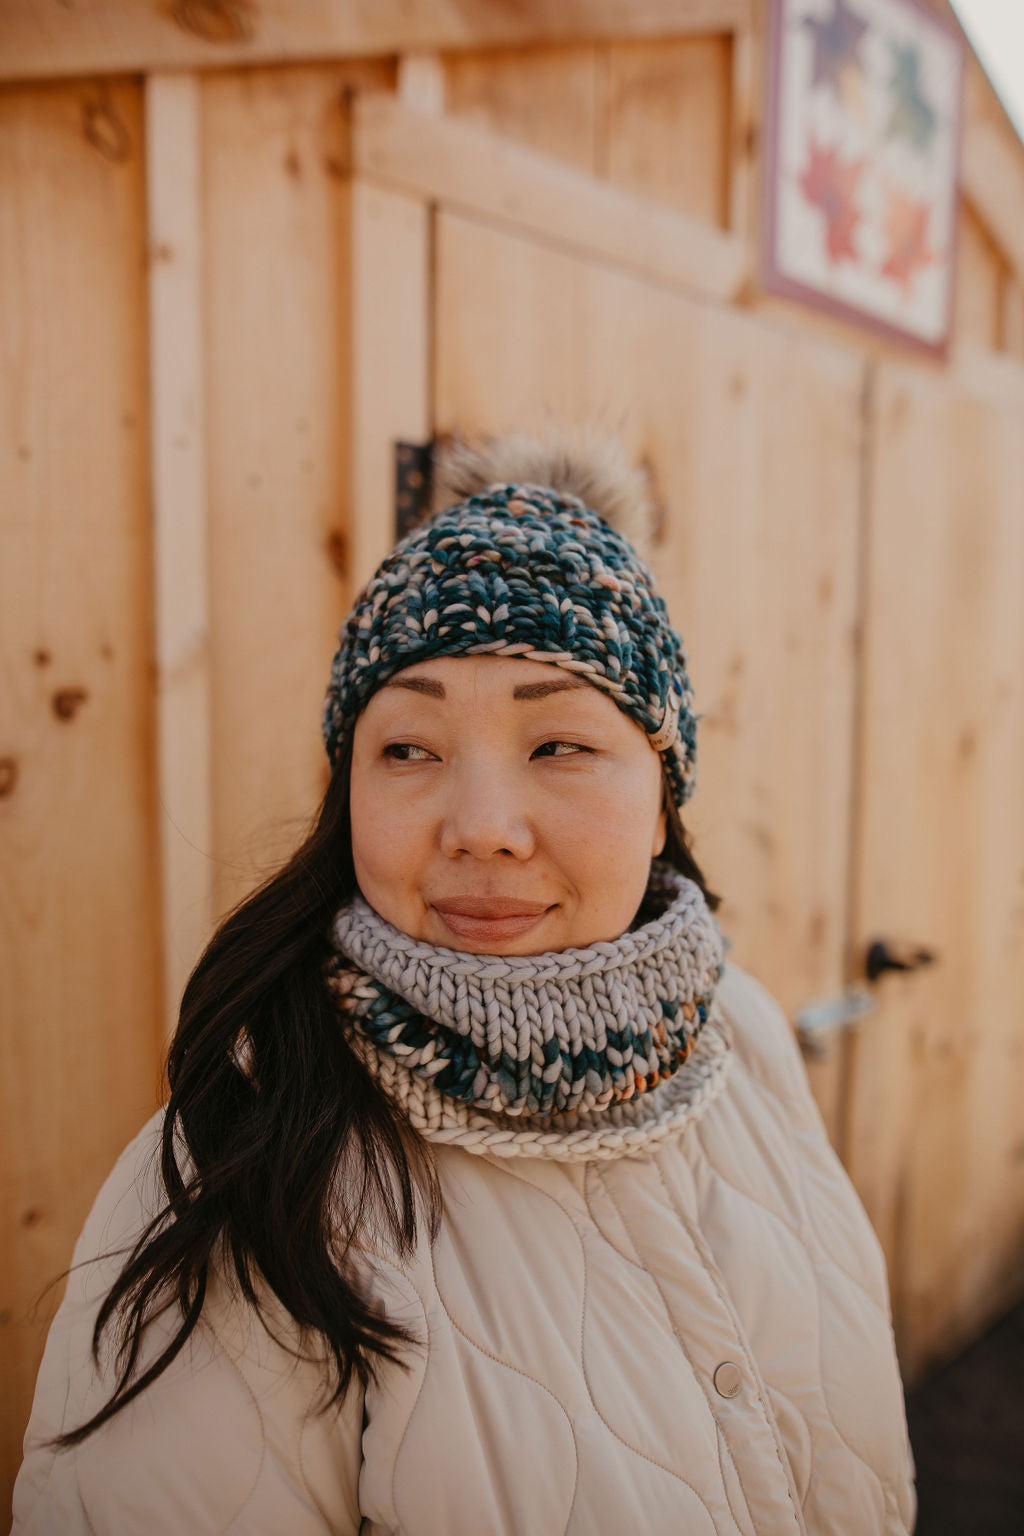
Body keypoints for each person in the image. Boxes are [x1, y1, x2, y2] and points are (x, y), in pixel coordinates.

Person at [13, 426, 916, 1534]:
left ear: (661, 785)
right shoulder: (248, 1164)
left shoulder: (743, 1036)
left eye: (558, 746)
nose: (482, 829)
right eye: (409, 749)